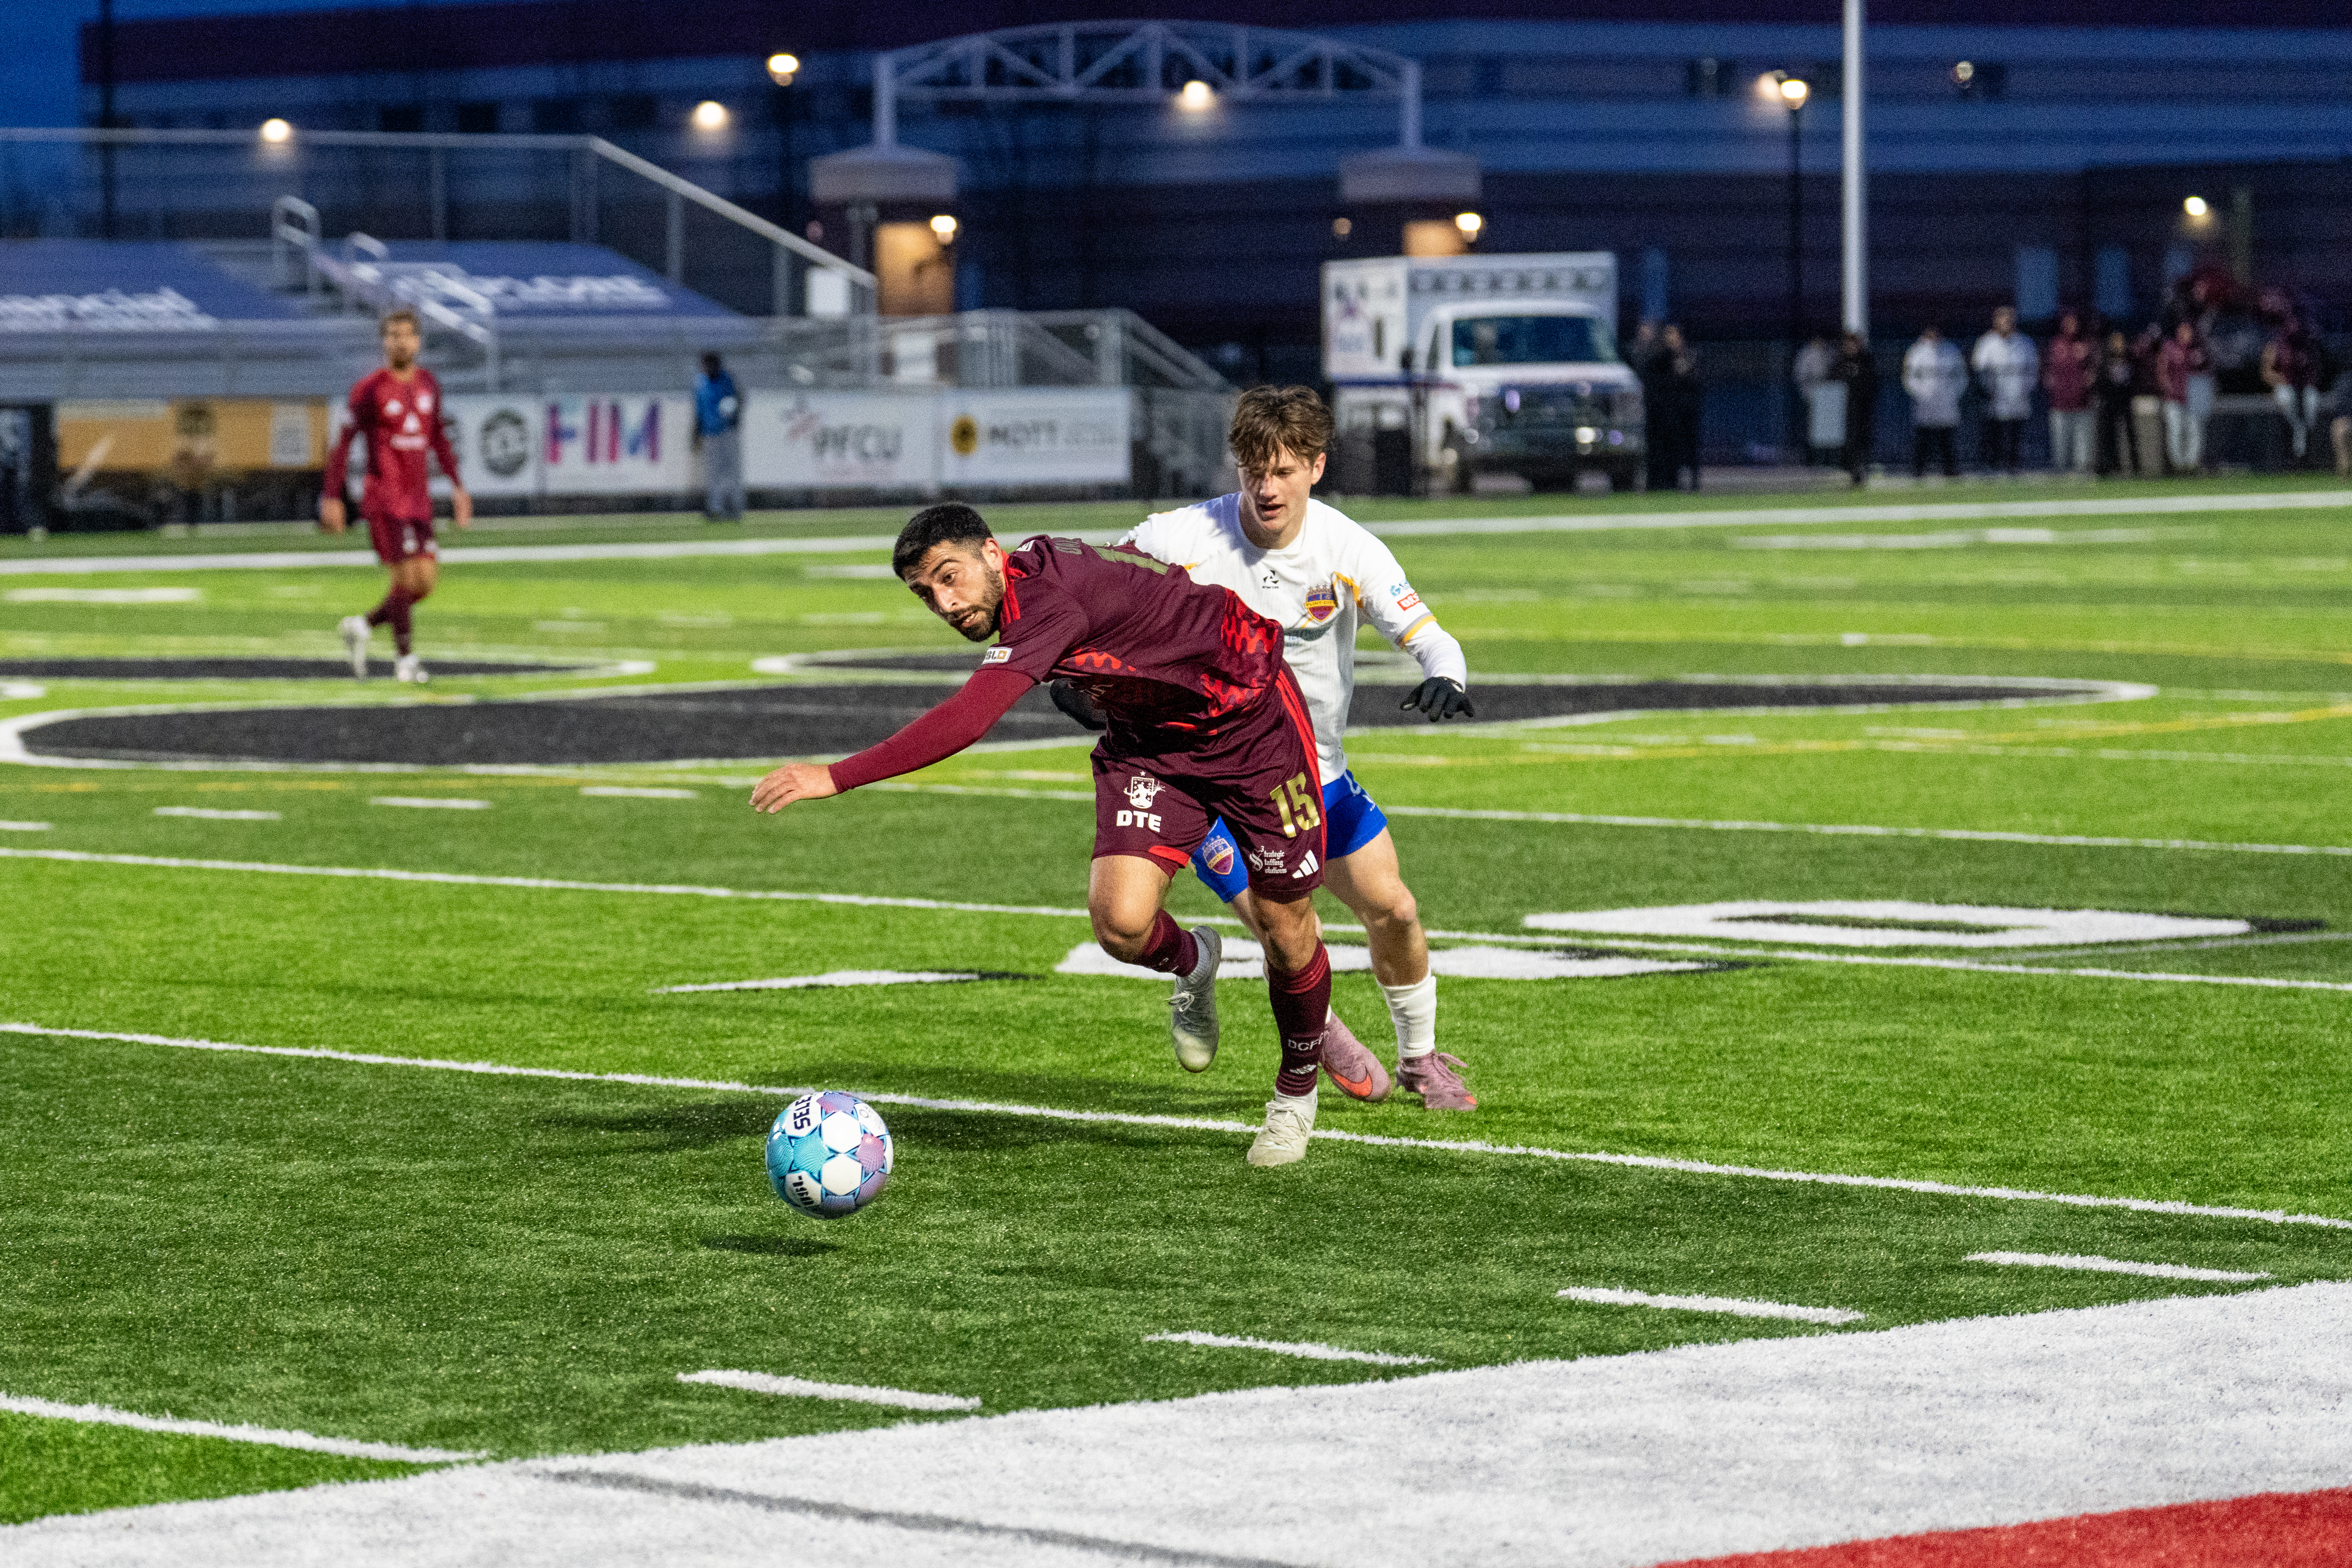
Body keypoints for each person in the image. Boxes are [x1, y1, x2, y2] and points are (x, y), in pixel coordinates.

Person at [750, 504, 1341, 1168]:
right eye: (926, 594)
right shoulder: (1031, 585)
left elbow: (972, 716)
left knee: (1287, 929)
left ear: (992, 555)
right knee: (1120, 923)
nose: (945, 602)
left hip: (1251, 725)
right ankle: (1195, 962)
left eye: (950, 577)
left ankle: (1294, 1097)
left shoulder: (1048, 601)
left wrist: (837, 774)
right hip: (1148, 744)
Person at [1118, 386, 1477, 1112]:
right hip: (1209, 778)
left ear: (1316, 466)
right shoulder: (1181, 537)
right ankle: (1324, 1023)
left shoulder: (1347, 548)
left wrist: (1446, 673)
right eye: (1253, 468)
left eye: (1282, 470)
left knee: (1397, 911)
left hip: (1318, 778)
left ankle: (1419, 1059)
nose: (1265, 486)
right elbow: (1098, 587)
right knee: (1280, 920)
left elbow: (1428, 633)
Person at [324, 308, 471, 684]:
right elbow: (342, 445)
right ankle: (406, 661)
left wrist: (457, 486)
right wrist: (333, 496)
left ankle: (362, 625)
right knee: (405, 577)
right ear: (384, 341)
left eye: (406, 334)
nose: (400, 341)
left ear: (418, 341)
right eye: (392, 335)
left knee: (425, 583)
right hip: (385, 498)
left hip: (418, 499)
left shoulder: (428, 385)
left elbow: (438, 437)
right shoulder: (369, 388)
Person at [1971, 306, 2038, 474]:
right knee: (1994, 437)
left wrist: (2025, 389)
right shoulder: (1987, 343)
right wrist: (1987, 391)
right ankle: (1993, 468)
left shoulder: (2025, 343)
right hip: (1994, 400)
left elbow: (2033, 371)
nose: (2006, 322)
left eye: (2009, 319)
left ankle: (2013, 468)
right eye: (2002, 319)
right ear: (1996, 321)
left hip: (2018, 399)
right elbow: (1979, 370)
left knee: (2016, 437)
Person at [1902, 325, 1964, 479]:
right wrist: (1919, 395)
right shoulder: (1916, 352)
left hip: (1947, 402)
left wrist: (1953, 394)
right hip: (1924, 402)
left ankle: (1950, 471)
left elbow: (1961, 376)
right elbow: (1909, 378)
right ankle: (1918, 471)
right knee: (1923, 438)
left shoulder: (1951, 350)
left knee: (1946, 439)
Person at [2262, 316, 2321, 465]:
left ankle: (2305, 449)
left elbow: (2315, 374)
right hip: (2285, 388)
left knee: (2312, 400)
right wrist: (2283, 380)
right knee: (2287, 397)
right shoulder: (2276, 346)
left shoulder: (2307, 348)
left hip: (2304, 389)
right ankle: (2296, 452)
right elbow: (2266, 373)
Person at [2043, 310, 2095, 475]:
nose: (2071, 327)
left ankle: (2082, 482)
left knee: (2083, 454)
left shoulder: (2086, 345)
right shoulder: (2055, 345)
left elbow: (2094, 370)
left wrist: (2087, 383)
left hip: (2082, 403)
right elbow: (2045, 370)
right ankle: (2061, 484)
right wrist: (2052, 385)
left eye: (2074, 323)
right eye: (2068, 323)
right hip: (2059, 404)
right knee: (2060, 453)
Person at [695, 352, 745, 521]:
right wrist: (696, 434)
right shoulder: (700, 383)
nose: (707, 368)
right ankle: (715, 509)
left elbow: (736, 401)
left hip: (727, 432)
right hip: (710, 434)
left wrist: (733, 421)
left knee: (732, 471)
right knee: (713, 473)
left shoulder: (727, 380)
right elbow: (699, 411)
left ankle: (735, 508)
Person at [2157, 320, 2211, 475]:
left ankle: (2192, 466)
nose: (2187, 335)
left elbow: (2207, 372)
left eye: (2189, 331)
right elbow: (2162, 371)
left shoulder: (2198, 349)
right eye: (2184, 331)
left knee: (2194, 431)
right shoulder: (2170, 348)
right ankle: (2178, 466)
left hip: (2194, 399)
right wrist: (2168, 389)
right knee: (2176, 431)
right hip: (2174, 398)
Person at [1829, 330, 1877, 487]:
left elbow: (1873, 383)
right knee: (1846, 442)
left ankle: (1860, 471)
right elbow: (1831, 384)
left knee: (1861, 441)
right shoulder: (1839, 362)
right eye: (1848, 344)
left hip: (1862, 410)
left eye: (1854, 343)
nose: (1851, 347)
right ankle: (1848, 470)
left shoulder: (1866, 362)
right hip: (1843, 412)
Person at [1662, 324, 1704, 490]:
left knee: (1691, 448)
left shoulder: (1692, 356)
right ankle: (1673, 484)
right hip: (1671, 413)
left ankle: (1694, 485)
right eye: (1668, 335)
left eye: (1673, 335)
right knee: (1673, 450)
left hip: (1689, 411)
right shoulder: (1664, 359)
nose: (1671, 339)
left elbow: (1698, 382)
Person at [2093, 330, 2140, 478]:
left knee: (2130, 434)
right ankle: (2110, 466)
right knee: (2109, 436)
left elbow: (2133, 382)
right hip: (2110, 402)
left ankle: (2135, 466)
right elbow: (2100, 382)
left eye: (2121, 341)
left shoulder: (2129, 359)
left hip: (2125, 401)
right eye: (2116, 341)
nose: (2119, 345)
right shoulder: (2105, 360)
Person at [1792, 332, 1838, 466]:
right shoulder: (1806, 354)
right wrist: (1809, 394)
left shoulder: (1830, 352)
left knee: (1829, 433)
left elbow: (1834, 374)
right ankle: (1812, 461)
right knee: (1812, 433)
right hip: (1812, 399)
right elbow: (1800, 377)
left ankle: (1829, 461)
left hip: (1829, 399)